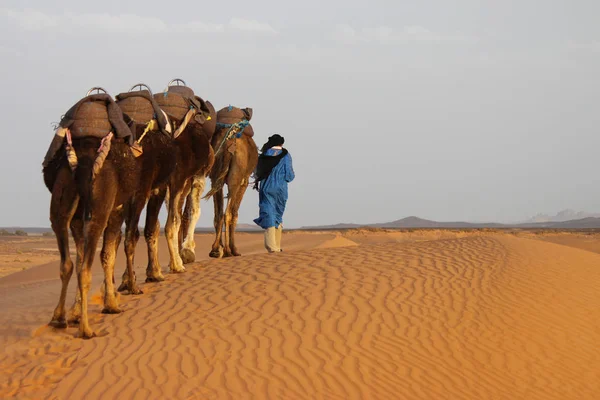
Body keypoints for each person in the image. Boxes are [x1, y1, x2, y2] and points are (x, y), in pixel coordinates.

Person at [253, 134, 295, 253]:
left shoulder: (264, 155)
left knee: (268, 212)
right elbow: (290, 175)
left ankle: (272, 246)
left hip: (266, 187)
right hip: (281, 188)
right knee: (278, 214)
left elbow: (257, 172)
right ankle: (275, 246)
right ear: (281, 143)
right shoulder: (286, 156)